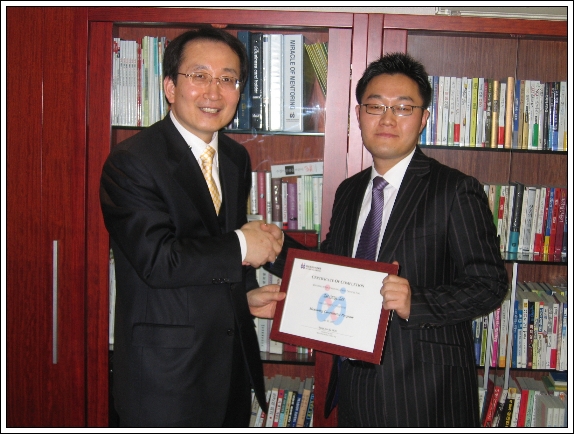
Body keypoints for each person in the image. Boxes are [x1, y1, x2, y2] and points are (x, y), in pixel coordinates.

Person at [100, 27, 286, 427]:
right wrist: (242, 245)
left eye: (227, 79)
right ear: (170, 87)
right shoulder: (132, 161)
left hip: (230, 368)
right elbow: (159, 261)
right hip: (164, 378)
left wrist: (244, 297)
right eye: (199, 76)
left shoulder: (234, 158)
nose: (214, 92)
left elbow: (216, 251)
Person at [322, 52, 508, 427]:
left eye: (403, 108)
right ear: (358, 114)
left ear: (423, 119)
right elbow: (328, 266)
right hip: (353, 383)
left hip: (425, 393)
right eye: (375, 106)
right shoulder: (349, 190)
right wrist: (272, 251)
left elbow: (490, 284)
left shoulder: (454, 190)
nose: (388, 118)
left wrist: (415, 302)